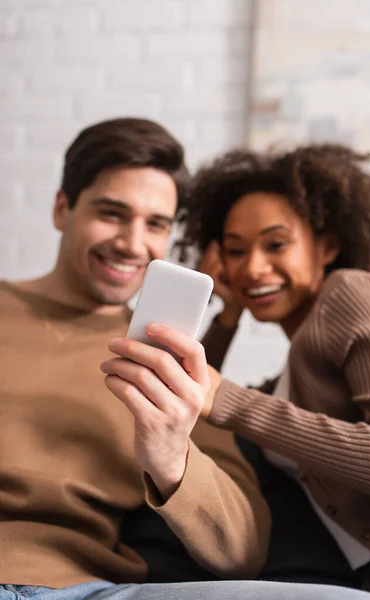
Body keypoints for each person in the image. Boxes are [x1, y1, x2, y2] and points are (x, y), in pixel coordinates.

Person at [0, 117, 275, 599]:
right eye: (111, 213)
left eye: (155, 224)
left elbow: (244, 550)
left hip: (85, 589)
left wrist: (172, 456)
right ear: (63, 208)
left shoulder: (171, 362)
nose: (132, 243)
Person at [172, 143, 370, 596]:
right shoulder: (290, 377)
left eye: (276, 244)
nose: (253, 267)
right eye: (236, 252)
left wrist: (230, 401)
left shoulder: (349, 291)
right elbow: (186, 400)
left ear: (327, 245)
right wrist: (228, 310)